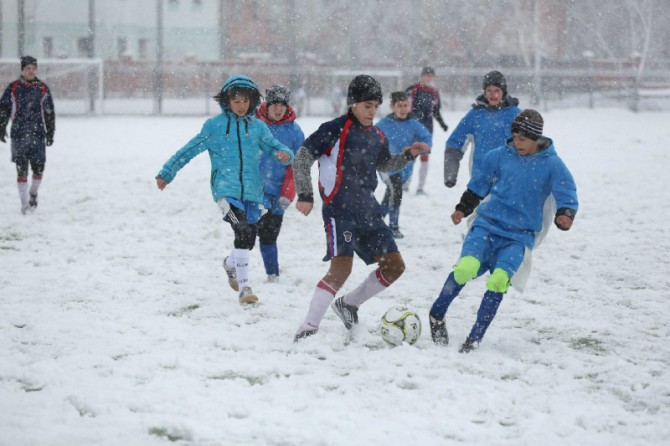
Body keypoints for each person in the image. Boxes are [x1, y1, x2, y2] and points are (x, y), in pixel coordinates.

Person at [292, 75, 429, 341]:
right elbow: (302, 158)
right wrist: (305, 194)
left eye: (376, 106)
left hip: (369, 211)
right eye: (367, 105)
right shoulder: (333, 129)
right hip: (339, 212)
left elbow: (385, 164)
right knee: (341, 268)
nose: (372, 111)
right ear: (352, 103)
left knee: (394, 266)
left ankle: (349, 304)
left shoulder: (377, 135)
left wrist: (408, 155)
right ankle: (309, 326)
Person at [428, 109, 578, 353]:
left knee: (498, 281)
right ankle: (436, 314)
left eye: (523, 139)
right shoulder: (498, 155)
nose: (516, 142)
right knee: (465, 269)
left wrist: (566, 214)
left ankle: (474, 338)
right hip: (486, 226)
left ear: (536, 139)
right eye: (515, 137)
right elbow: (477, 185)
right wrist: (462, 208)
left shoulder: (552, 164)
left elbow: (567, 192)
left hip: (519, 237)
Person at [156, 75, 294, 305]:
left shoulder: (257, 127)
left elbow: (277, 147)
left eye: (246, 101)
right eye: (236, 100)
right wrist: (167, 172)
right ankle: (245, 289)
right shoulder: (214, 127)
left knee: (248, 238)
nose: (241, 105)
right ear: (227, 101)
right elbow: (188, 150)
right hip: (226, 191)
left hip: (253, 193)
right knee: (242, 229)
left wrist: (284, 154)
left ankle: (230, 264)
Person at [255, 85, 305, 282]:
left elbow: (298, 166)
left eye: (282, 105)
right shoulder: (255, 126)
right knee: (248, 234)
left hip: (280, 193)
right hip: (256, 192)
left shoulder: (294, 131)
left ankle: (272, 274)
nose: (278, 109)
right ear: (267, 105)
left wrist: (288, 193)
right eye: (274, 104)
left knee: (270, 233)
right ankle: (235, 263)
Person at [444, 70, 521, 188]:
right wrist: (451, 173)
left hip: (509, 179)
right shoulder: (475, 115)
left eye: (497, 90)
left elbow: (531, 145)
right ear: (484, 92)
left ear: (503, 92)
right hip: (481, 179)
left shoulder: (515, 115)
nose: (493, 95)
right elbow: (454, 143)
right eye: (489, 90)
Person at [0, 56, 56, 214]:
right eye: (28, 68)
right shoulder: (13, 88)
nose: (31, 71)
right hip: (18, 135)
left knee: (38, 170)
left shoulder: (42, 88)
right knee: (22, 170)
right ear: (22, 70)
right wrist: (1, 127)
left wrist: (50, 132)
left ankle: (33, 192)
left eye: (33, 68)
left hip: (38, 134)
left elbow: (49, 112)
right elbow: (3, 109)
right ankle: (24, 205)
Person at [375, 91, 432, 239]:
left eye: (405, 105)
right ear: (392, 107)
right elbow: (371, 137)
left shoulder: (414, 124)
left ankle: (375, 222)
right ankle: (393, 227)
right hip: (387, 165)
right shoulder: (384, 124)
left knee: (391, 194)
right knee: (396, 191)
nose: (402, 109)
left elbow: (427, 138)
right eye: (399, 106)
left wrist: (420, 146)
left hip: (406, 166)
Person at [405, 66, 448, 195]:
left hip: (427, 129)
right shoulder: (413, 89)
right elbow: (404, 107)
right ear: (422, 76)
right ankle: (405, 184)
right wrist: (412, 118)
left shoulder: (434, 92)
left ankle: (420, 188)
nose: (428, 78)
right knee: (411, 156)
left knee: (424, 156)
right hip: (413, 128)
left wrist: (442, 124)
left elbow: (436, 111)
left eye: (430, 76)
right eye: (426, 75)